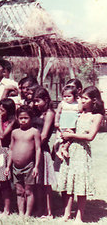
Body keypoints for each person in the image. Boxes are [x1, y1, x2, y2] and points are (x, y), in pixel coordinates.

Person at [57, 86, 104, 223]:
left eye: (85, 98)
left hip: (82, 152)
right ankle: (66, 214)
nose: (82, 101)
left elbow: (90, 136)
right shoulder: (79, 113)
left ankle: (79, 216)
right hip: (71, 150)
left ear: (94, 100)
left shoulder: (97, 116)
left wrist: (72, 135)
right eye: (81, 98)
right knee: (69, 184)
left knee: (80, 185)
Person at [5, 105, 41, 217]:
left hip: (29, 166)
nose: (23, 120)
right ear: (17, 118)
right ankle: (21, 212)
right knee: (19, 191)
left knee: (29, 191)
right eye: (21, 118)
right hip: (15, 167)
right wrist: (8, 166)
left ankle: (27, 213)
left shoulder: (34, 132)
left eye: (26, 118)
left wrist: (36, 166)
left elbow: (38, 149)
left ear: (31, 118)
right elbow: (11, 149)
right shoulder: (15, 132)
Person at [33, 87, 56, 218]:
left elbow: (44, 135)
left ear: (46, 99)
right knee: (37, 183)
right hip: (34, 150)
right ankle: (39, 209)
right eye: (34, 101)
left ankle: (49, 212)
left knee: (46, 183)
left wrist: (34, 148)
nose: (35, 104)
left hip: (42, 149)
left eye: (38, 101)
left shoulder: (49, 113)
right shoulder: (36, 112)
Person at [0, 98, 16, 216]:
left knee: (4, 183)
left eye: (2, 110)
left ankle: (7, 209)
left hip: (3, 152)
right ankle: (1, 206)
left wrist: (1, 119)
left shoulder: (10, 122)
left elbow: (2, 135)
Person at [54, 85, 79, 160]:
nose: (66, 98)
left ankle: (64, 148)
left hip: (72, 124)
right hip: (64, 123)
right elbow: (58, 113)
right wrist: (56, 121)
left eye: (69, 96)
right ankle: (59, 150)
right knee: (63, 138)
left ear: (74, 96)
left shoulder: (77, 104)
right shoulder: (62, 104)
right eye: (64, 96)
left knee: (70, 137)